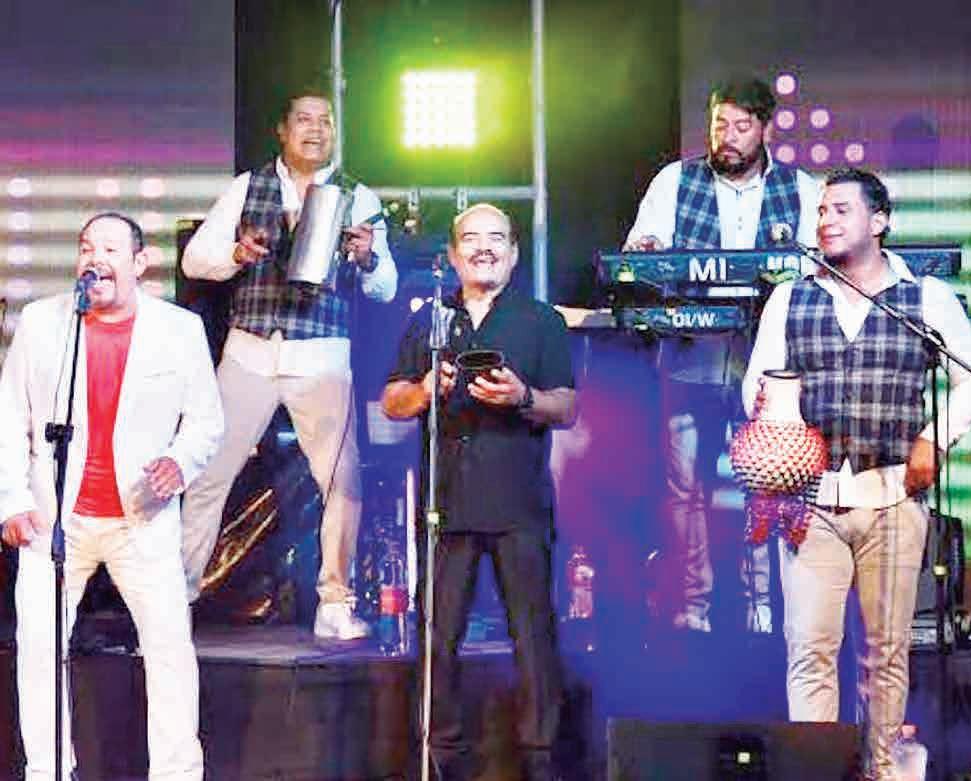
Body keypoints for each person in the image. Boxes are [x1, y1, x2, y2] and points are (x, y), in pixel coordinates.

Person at [741, 168, 971, 778]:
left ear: (879, 221)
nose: (825, 221)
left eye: (841, 210)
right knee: (810, 649)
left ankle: (880, 769)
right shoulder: (790, 298)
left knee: (885, 654)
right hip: (809, 502)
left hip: (893, 498)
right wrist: (777, 420)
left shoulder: (924, 297)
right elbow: (756, 387)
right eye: (821, 211)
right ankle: (817, 771)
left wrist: (935, 438)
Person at [0, 213, 224, 780]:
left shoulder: (179, 330)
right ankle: (48, 770)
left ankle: (177, 773)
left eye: (109, 249)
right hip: (56, 517)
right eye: (85, 248)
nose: (94, 259)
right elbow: (9, 415)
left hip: (141, 517)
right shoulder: (43, 322)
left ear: (139, 263)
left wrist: (178, 461)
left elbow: (206, 421)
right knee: (39, 647)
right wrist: (11, 499)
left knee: (169, 650)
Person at [180, 90, 398, 639]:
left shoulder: (358, 197)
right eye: (304, 119)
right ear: (282, 130)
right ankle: (175, 598)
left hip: (321, 356)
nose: (316, 129)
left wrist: (368, 257)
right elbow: (194, 261)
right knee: (205, 475)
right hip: (250, 350)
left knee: (343, 482)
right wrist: (236, 254)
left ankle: (335, 602)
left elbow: (386, 287)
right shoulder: (247, 188)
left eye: (326, 121)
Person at [382, 204, 575, 781]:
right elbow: (392, 401)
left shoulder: (541, 321)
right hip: (446, 504)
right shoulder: (431, 320)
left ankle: (540, 755)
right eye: (471, 238)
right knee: (438, 637)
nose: (483, 248)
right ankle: (440, 753)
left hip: (519, 503)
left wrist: (522, 397)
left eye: (496, 238)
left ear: (514, 253)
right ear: (452, 254)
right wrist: (425, 389)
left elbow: (566, 406)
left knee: (532, 637)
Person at [624, 74, 819, 633]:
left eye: (741, 126)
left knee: (768, 483)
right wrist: (648, 252)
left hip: (768, 361)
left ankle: (762, 608)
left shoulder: (801, 189)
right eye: (719, 125)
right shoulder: (674, 181)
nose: (727, 137)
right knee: (685, 487)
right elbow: (641, 256)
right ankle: (694, 608)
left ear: (766, 130)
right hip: (691, 354)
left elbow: (814, 270)